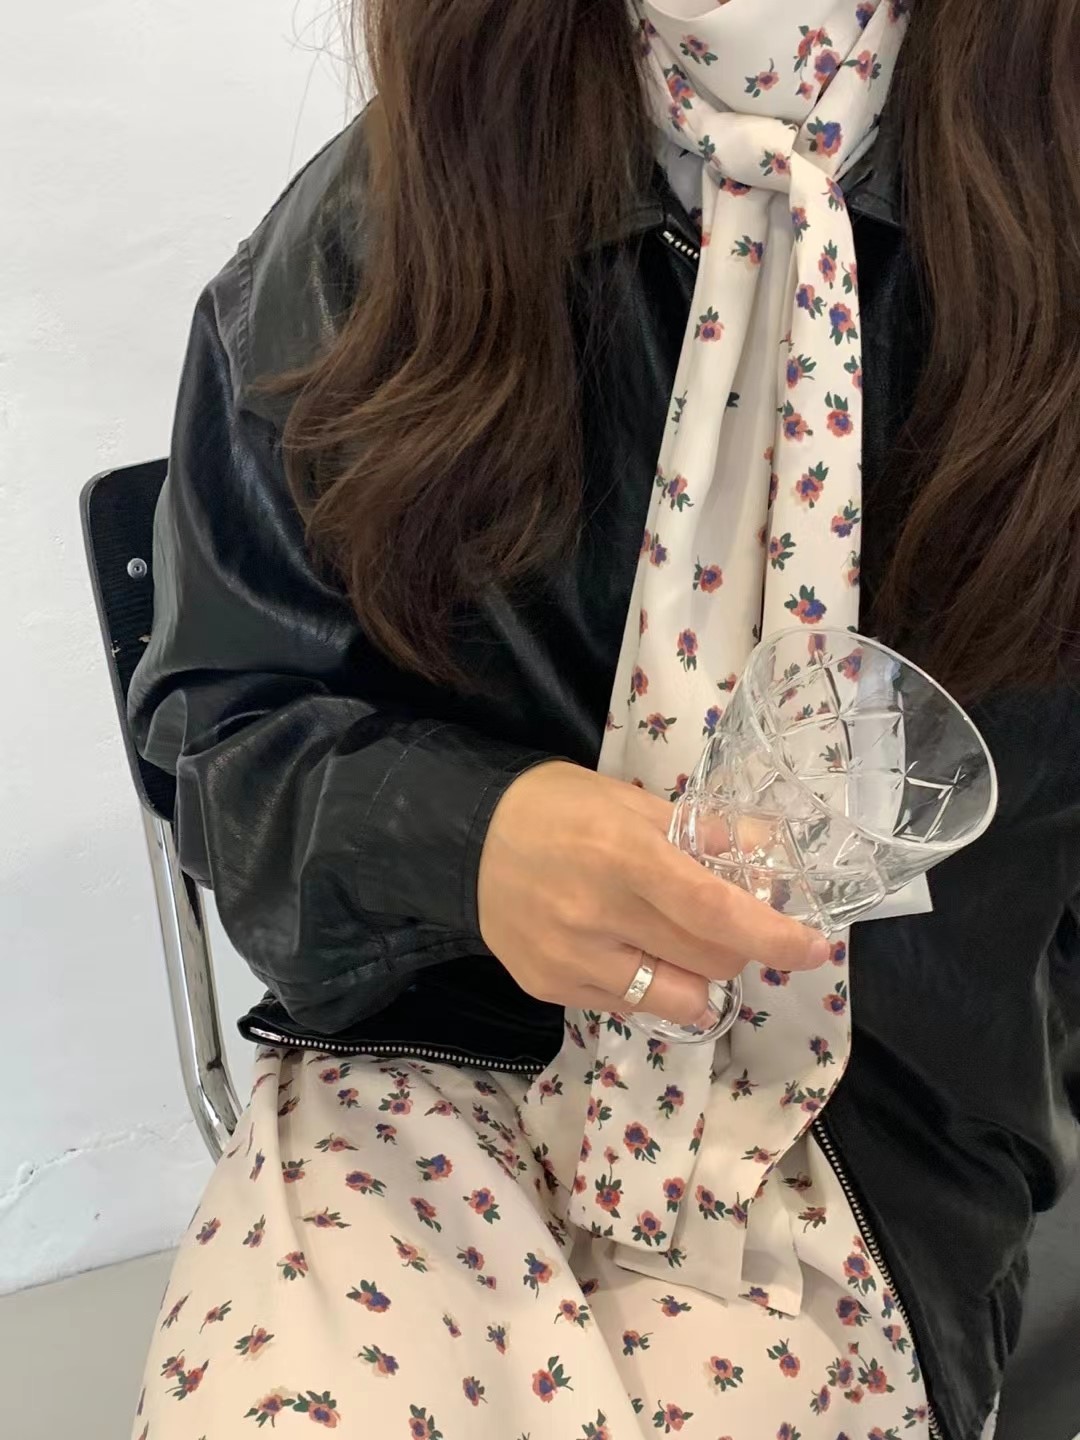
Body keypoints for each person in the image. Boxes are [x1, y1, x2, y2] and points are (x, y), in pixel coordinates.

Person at [127, 3, 1080, 1438]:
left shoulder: (1045, 221)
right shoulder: (386, 223)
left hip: (866, 1131)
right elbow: (228, 731)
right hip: (433, 1050)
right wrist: (473, 841)